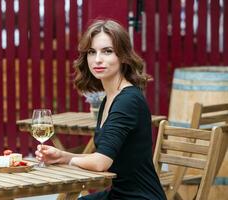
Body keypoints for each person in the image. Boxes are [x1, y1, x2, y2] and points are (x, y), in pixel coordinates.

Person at [35, 19, 166, 200]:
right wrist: (62, 156)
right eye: (91, 52)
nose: (97, 59)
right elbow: (101, 156)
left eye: (107, 51)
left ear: (123, 56)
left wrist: (69, 159)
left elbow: (100, 163)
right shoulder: (109, 99)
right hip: (118, 194)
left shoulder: (128, 101)